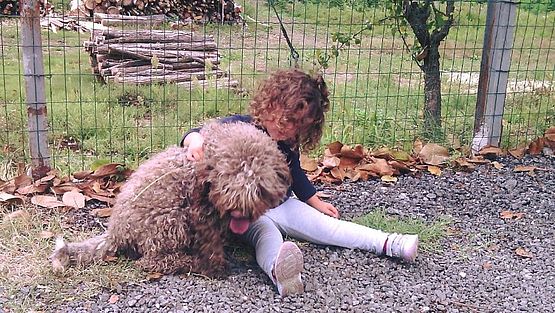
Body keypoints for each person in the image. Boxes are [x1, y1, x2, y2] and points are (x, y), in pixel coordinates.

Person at [181, 68, 418, 297]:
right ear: (270, 104)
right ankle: (280, 272)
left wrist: (314, 201)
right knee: (267, 236)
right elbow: (194, 132)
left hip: (282, 203)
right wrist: (195, 142)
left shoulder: (288, 141)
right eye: (287, 120)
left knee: (325, 226)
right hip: (247, 211)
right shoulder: (240, 126)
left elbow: (296, 172)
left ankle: (388, 242)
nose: (290, 129)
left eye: (299, 125)